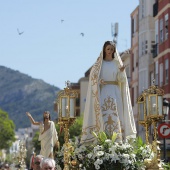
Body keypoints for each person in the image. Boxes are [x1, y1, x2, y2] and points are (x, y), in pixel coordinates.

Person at [81, 41, 137, 144]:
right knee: (103, 114)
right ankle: (103, 139)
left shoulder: (117, 63)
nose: (110, 51)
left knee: (116, 114)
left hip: (115, 91)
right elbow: (93, 78)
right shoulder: (99, 65)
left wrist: (121, 72)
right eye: (108, 49)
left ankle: (118, 141)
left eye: (112, 49)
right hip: (104, 91)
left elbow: (122, 80)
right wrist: (99, 81)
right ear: (104, 50)